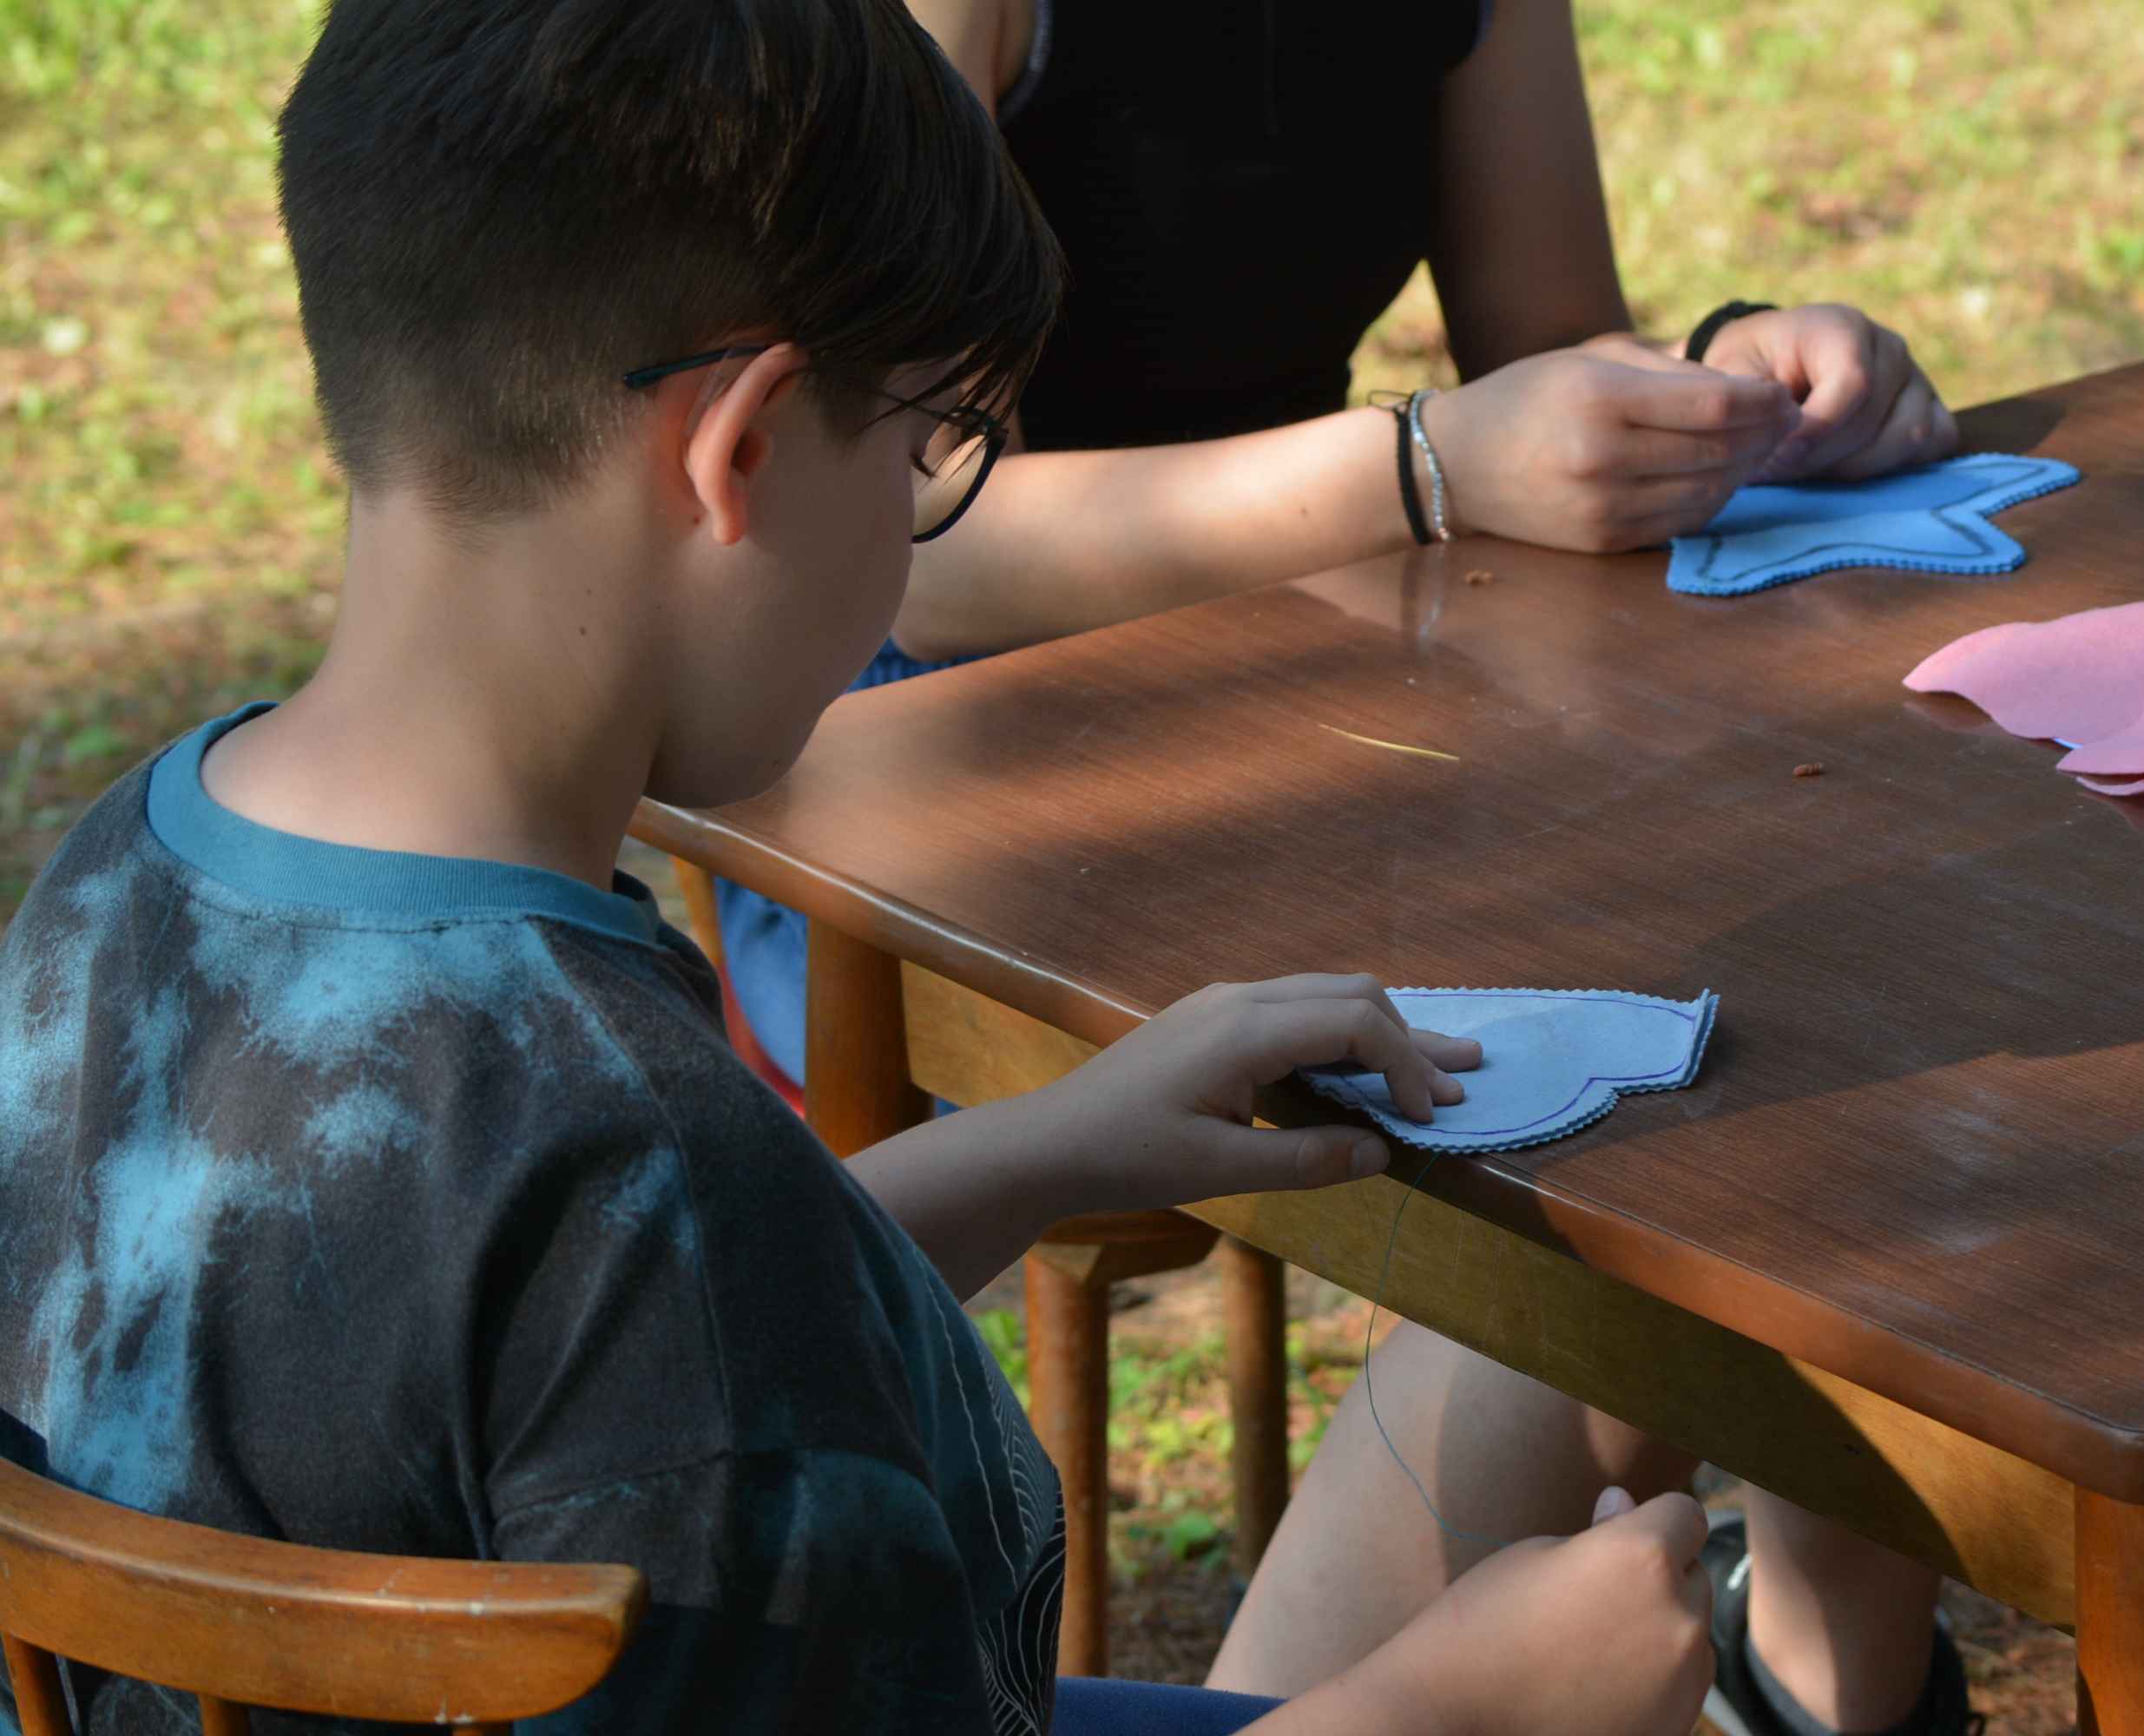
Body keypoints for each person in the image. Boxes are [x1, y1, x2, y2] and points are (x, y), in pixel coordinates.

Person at [0, 3, 1730, 1732]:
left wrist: (1043, 1144)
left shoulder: (113, 882)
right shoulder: (642, 1161)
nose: (918, 517)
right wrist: (1456, 1710)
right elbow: (675, 1324)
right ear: (737, 449)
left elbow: (572, 1380)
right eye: (923, 454)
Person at [708, 3, 1977, 1732]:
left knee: (1791, 1008)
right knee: (1676, 1086)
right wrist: (1421, 466)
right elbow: (923, 533)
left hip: (1318, 696)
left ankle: (1815, 1676)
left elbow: (1545, 337)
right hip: (945, 783)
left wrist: (1726, 379)